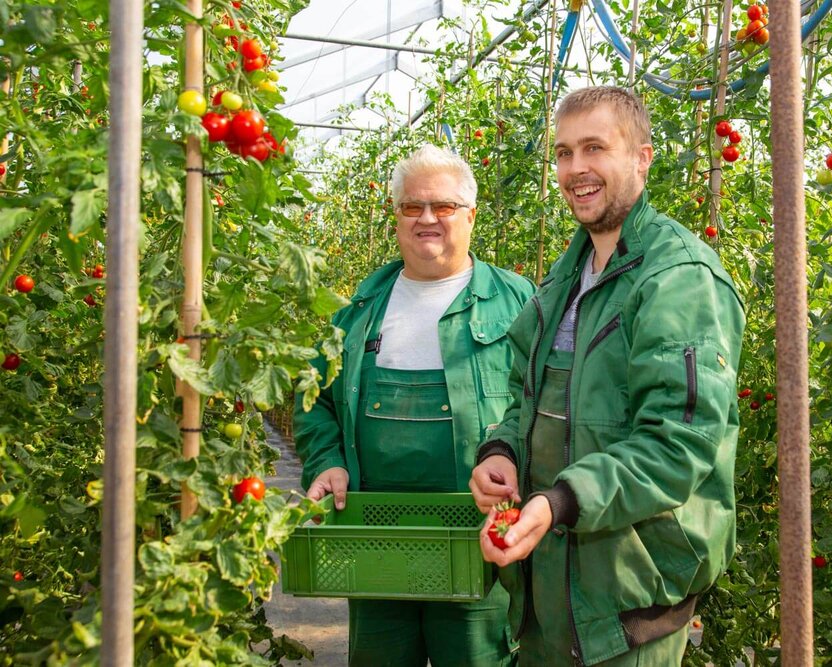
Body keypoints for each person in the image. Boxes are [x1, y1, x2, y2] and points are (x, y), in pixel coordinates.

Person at [469, 86, 746, 666]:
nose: (576, 169)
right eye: (564, 152)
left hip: (626, 596)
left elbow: (678, 442)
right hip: (549, 578)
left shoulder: (677, 278)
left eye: (595, 148)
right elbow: (528, 397)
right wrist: (500, 451)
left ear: (642, 157)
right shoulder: (566, 275)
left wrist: (561, 501)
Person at [293, 143, 534, 667]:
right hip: (376, 536)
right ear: (396, 217)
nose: (428, 218)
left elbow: (546, 400)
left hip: (478, 538)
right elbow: (313, 398)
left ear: (470, 214)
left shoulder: (519, 303)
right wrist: (327, 460)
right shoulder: (358, 311)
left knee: (476, 657)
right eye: (412, 207)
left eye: (443, 206)